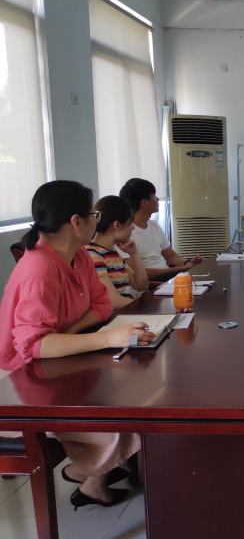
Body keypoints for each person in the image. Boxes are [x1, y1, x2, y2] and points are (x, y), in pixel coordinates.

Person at [0, 180, 155, 510]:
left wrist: (69, 335)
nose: (96, 221)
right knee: (119, 419)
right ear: (76, 222)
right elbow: (32, 347)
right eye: (93, 215)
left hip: (63, 358)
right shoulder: (40, 267)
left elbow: (101, 305)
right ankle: (88, 476)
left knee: (135, 398)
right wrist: (104, 338)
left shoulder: (80, 256)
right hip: (28, 380)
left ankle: (90, 475)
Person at [119, 178, 203, 282]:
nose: (158, 199)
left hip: (167, 276)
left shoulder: (154, 225)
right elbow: (136, 273)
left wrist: (188, 263)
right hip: (152, 282)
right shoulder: (125, 233)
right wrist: (179, 270)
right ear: (144, 203)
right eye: (154, 196)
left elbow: (171, 256)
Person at [87, 196, 149, 310]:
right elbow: (113, 301)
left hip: (126, 310)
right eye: (130, 223)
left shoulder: (113, 253)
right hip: (115, 315)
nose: (133, 228)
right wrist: (146, 310)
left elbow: (142, 285)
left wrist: (134, 253)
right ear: (117, 225)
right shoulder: (93, 255)